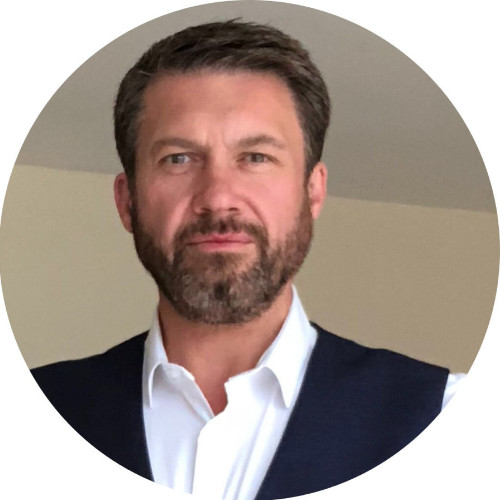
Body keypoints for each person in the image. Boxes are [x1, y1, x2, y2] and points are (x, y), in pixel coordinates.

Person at [32, 20, 462, 500]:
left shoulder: (448, 419)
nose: (218, 198)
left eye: (256, 157)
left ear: (312, 192)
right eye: (178, 158)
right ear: (127, 200)